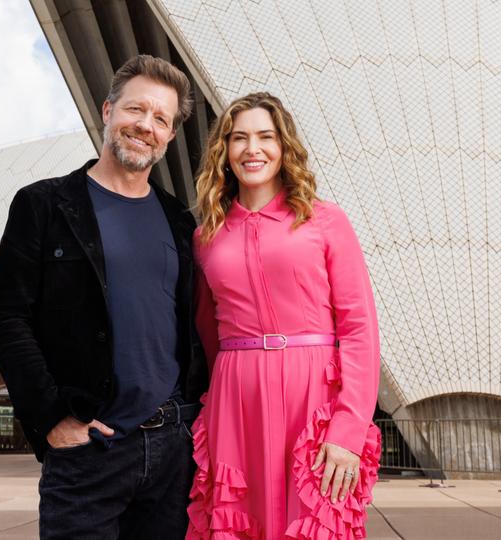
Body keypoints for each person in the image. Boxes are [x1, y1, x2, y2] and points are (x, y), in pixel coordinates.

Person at [0, 54, 208, 539]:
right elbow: (6, 320)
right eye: (136, 109)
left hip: (173, 448)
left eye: (160, 119)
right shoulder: (44, 205)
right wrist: (51, 419)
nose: (145, 125)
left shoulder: (179, 220)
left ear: (169, 136)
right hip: (90, 448)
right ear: (108, 111)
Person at [186, 93, 381, 539]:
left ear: (283, 145)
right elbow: (206, 332)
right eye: (239, 138)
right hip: (235, 402)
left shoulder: (325, 220)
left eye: (265, 137)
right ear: (225, 151)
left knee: (315, 521)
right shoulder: (206, 237)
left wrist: (349, 427)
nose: (252, 149)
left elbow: (359, 327)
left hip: (314, 398)